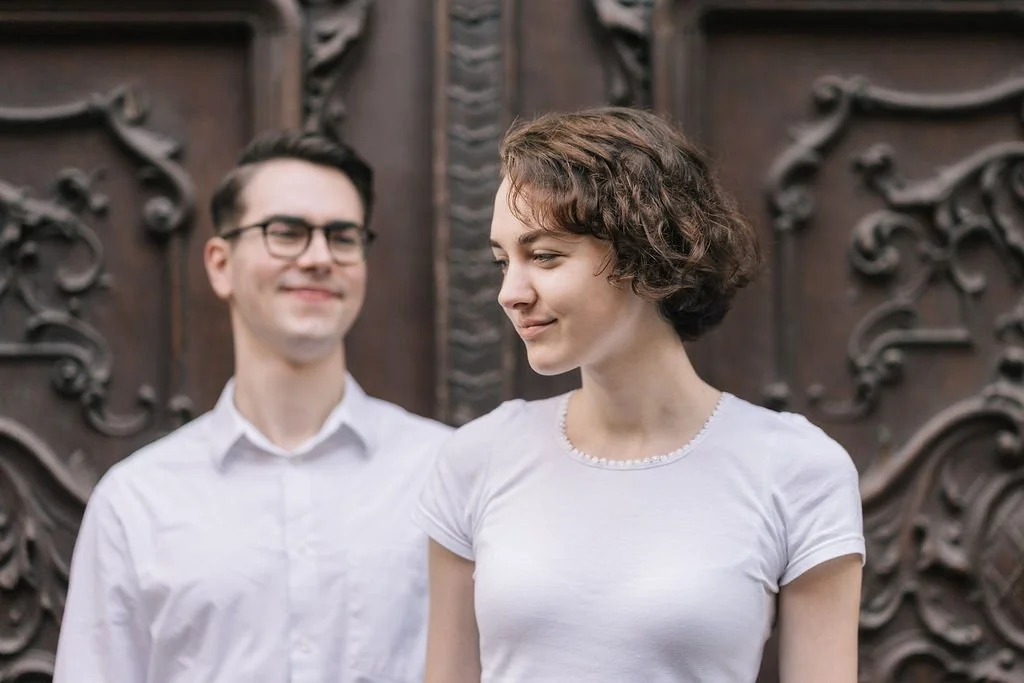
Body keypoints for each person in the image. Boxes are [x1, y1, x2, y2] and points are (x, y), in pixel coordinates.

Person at [414, 107, 865, 683]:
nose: (510, 292)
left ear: (646, 250)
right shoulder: (477, 457)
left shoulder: (797, 469)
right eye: (504, 261)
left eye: (545, 256)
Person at [53, 131, 453, 683]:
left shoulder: (445, 470)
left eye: (342, 236)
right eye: (285, 232)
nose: (318, 258)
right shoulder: (135, 503)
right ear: (220, 264)